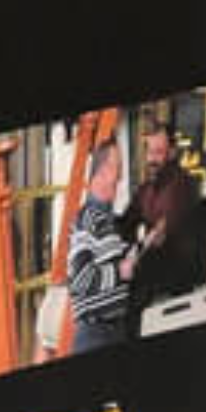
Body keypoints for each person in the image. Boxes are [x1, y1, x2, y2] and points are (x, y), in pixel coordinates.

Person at [124, 117, 206, 308]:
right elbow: (126, 222)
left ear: (172, 152)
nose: (151, 159)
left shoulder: (183, 185)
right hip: (154, 273)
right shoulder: (146, 189)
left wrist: (132, 258)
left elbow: (160, 233)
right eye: (149, 152)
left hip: (176, 282)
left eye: (158, 152)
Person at [68, 136, 135, 351]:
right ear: (103, 171)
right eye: (117, 168)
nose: (120, 177)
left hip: (113, 330)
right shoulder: (87, 219)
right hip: (96, 335)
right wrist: (120, 271)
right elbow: (81, 279)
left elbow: (115, 264)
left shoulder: (107, 221)